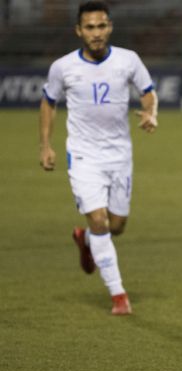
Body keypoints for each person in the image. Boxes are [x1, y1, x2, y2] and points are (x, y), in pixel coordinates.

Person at [38, 1, 158, 315]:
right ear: (79, 31)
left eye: (101, 26)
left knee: (116, 225)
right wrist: (45, 145)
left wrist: (150, 112)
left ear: (110, 27)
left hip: (119, 155)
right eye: (89, 27)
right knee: (100, 220)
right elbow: (48, 102)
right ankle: (119, 295)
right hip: (83, 155)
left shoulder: (128, 60)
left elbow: (147, 90)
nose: (96, 33)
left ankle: (87, 239)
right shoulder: (63, 67)